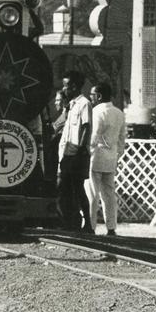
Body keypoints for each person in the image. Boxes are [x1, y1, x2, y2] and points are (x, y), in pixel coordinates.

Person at [87, 81, 127, 236]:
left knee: (92, 193)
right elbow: (122, 138)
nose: (91, 98)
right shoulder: (119, 113)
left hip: (95, 156)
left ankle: (90, 226)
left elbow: (94, 136)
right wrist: (117, 154)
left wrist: (88, 152)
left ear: (98, 96)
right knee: (109, 194)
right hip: (111, 158)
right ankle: (111, 227)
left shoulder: (97, 112)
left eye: (92, 95)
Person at [57, 70, 92, 231]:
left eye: (66, 86)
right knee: (66, 186)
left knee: (77, 187)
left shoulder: (84, 103)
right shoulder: (71, 105)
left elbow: (86, 127)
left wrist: (80, 150)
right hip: (67, 151)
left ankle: (88, 223)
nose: (64, 89)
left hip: (76, 152)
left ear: (74, 86)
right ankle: (69, 220)